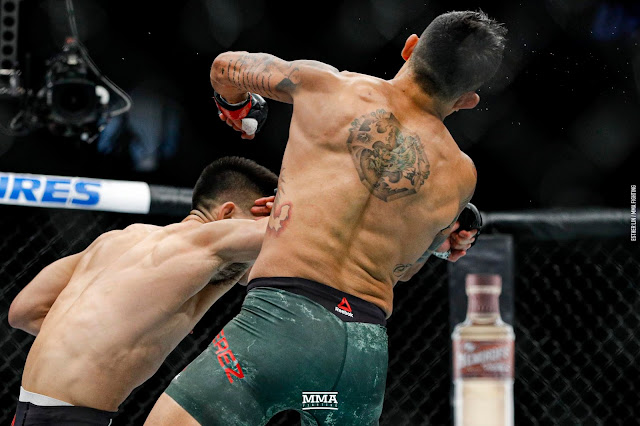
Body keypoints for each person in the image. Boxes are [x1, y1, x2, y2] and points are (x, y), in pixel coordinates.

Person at [146, 10, 504, 426]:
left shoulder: (326, 85)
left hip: (279, 327)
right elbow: (405, 270)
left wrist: (236, 104)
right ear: (467, 100)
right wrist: (443, 244)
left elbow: (225, 67)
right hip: (358, 365)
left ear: (409, 47)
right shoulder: (461, 174)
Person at [8, 157, 278, 425]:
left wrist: (101, 342)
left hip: (29, 412)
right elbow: (284, 233)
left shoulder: (113, 240)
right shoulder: (205, 242)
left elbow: (24, 311)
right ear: (226, 214)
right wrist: (289, 202)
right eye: (250, 225)